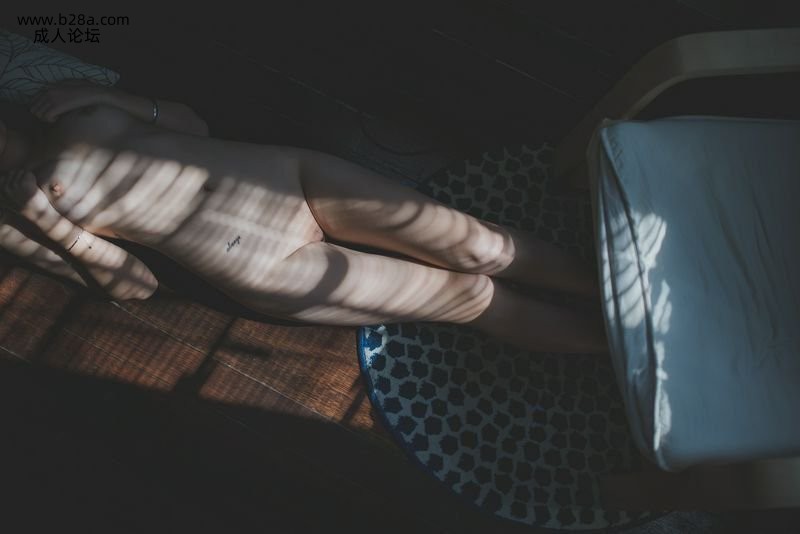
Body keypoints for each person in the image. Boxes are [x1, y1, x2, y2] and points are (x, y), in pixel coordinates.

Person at [0, 81, 606, 354]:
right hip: (267, 262)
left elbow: (193, 126)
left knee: (482, 245)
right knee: (471, 295)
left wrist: (118, 98)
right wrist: (49, 224)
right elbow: (134, 285)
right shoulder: (12, 218)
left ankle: (622, 293)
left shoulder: (53, 103)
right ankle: (627, 356)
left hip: (291, 175)